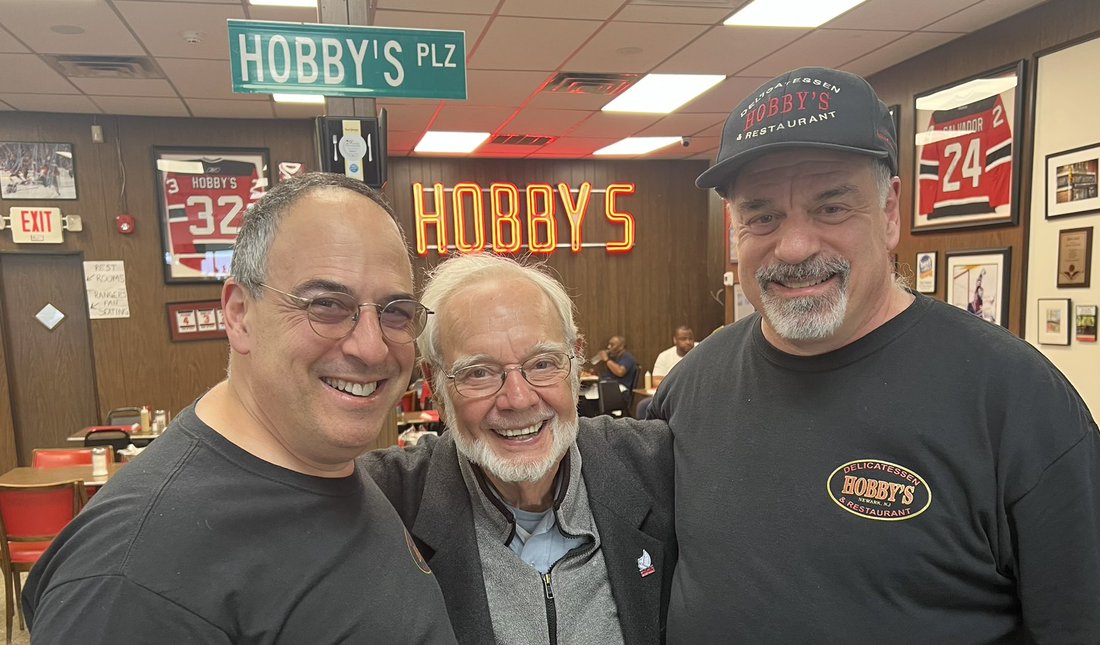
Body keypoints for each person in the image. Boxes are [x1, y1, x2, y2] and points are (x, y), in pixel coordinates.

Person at [649, 66, 1100, 643]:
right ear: (735, 228)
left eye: (831, 208)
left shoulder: (1012, 396)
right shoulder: (690, 387)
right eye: (763, 215)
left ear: (891, 211)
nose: (795, 245)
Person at [23, 173, 456, 643]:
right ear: (238, 315)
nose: (373, 349)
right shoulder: (129, 579)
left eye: (395, 311)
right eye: (327, 304)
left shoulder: (327, 469)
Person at [359, 253, 674, 644]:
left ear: (575, 360)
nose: (519, 399)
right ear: (435, 383)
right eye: (479, 372)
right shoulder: (383, 501)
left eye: (543, 363)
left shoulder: (658, 466)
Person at [598, 335, 637, 409]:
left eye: (612, 345)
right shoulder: (614, 357)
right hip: (610, 388)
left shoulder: (627, 357)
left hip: (621, 392)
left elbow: (620, 372)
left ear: (621, 346)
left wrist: (606, 360)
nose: (609, 347)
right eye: (609, 344)